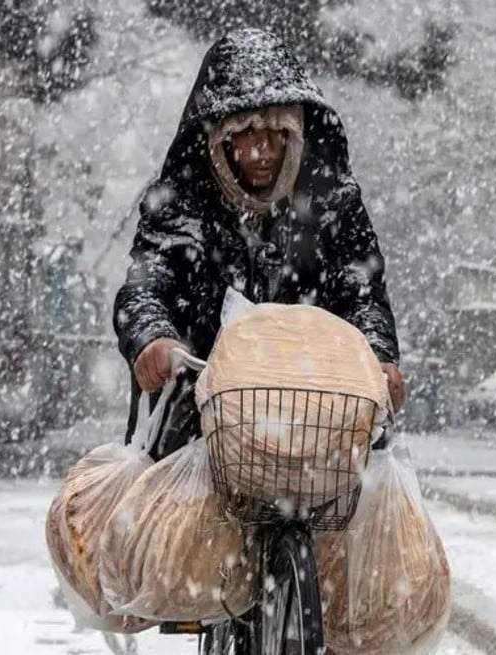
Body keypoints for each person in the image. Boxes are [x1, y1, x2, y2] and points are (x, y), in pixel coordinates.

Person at [113, 28, 404, 457]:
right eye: (248, 132)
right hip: (196, 423)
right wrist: (153, 338)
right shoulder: (181, 204)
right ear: (221, 140)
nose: (264, 148)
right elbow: (147, 283)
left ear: (295, 133)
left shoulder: (330, 202)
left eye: (276, 129)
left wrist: (379, 356)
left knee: (367, 515)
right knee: (161, 519)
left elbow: (361, 291)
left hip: (312, 421)